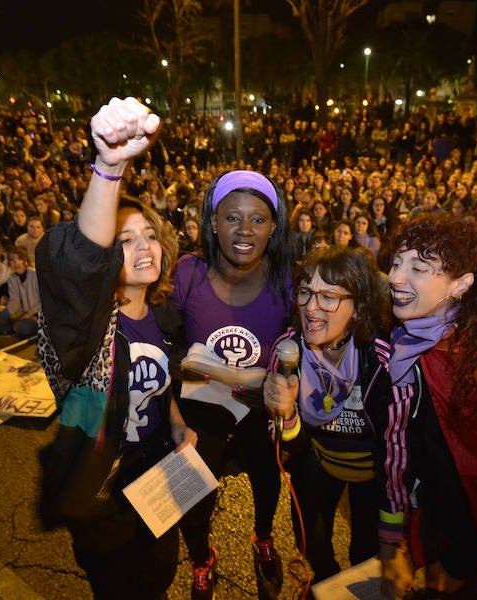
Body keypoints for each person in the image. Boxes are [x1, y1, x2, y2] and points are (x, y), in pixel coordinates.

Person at [35, 97, 196, 600]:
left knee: (160, 577)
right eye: (125, 240)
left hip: (159, 472)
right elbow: (77, 264)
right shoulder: (85, 330)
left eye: (149, 235)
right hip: (103, 487)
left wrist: (175, 423)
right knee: (120, 588)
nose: (144, 247)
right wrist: (108, 166)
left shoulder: (163, 315)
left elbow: (158, 384)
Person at [379, 214, 477, 599]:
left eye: (419, 268)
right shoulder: (403, 334)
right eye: (396, 263)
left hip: (469, 527)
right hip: (429, 507)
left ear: (462, 284)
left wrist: (464, 558)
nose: (396, 278)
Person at [172, 168, 292, 599]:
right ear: (212, 222)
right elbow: (162, 341)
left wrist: (285, 383)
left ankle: (263, 537)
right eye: (232, 218)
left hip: (258, 405)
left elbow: (299, 346)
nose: (245, 230)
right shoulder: (187, 272)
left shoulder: (286, 278)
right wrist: (196, 370)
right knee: (190, 493)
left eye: (258, 219)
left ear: (273, 227)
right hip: (200, 404)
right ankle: (201, 559)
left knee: (267, 478)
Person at [262, 246, 391, 585]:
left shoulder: (382, 358)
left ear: (358, 307)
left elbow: (398, 441)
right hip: (317, 460)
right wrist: (286, 414)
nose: (311, 307)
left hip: (373, 471)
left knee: (367, 555)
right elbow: (288, 444)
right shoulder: (288, 351)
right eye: (305, 292)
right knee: (313, 547)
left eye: (329, 297)